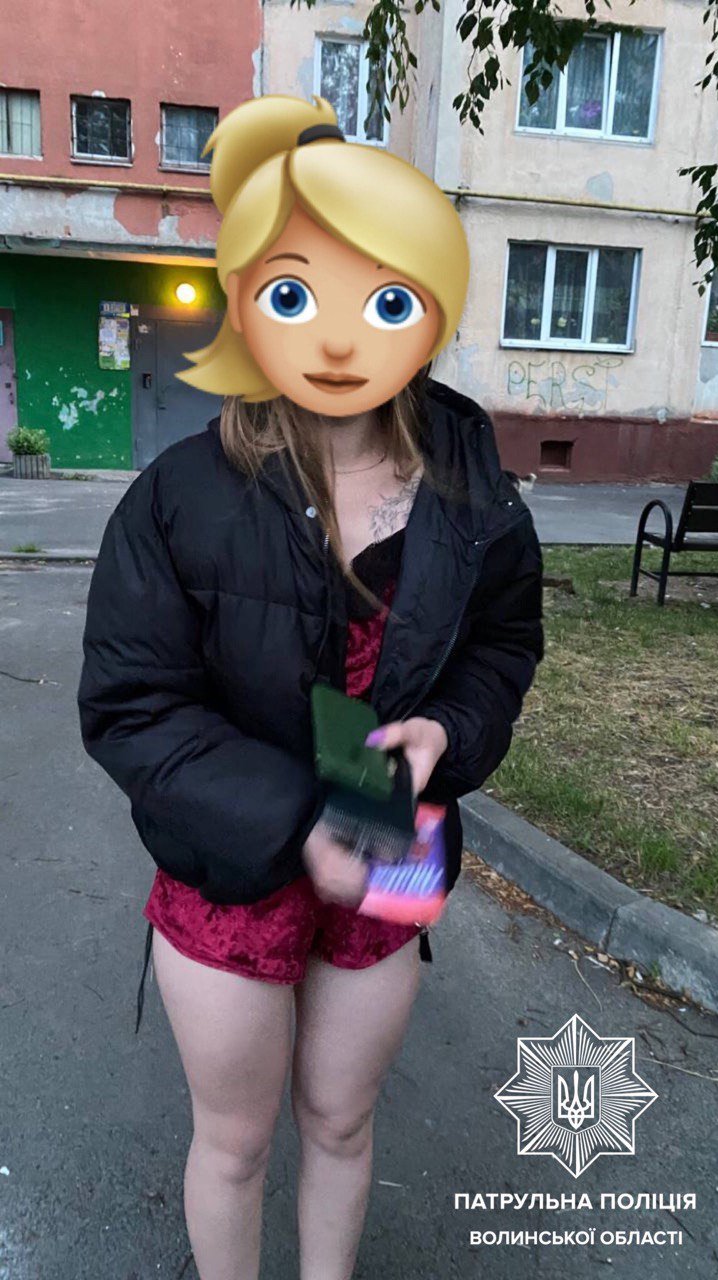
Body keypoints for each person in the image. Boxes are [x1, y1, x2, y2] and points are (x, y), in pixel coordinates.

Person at [77, 93, 544, 1280]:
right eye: (297, 290)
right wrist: (297, 822)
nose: (338, 336)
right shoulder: (180, 496)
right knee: (235, 1141)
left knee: (342, 1118)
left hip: (391, 836)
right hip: (226, 857)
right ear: (249, 300)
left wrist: (447, 731)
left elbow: (503, 647)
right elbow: (133, 707)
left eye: (381, 294)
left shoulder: (474, 492)